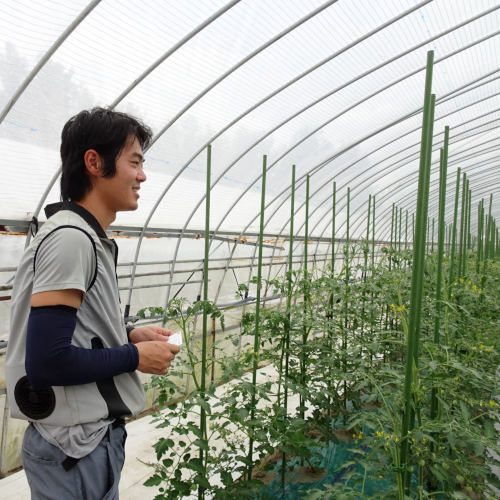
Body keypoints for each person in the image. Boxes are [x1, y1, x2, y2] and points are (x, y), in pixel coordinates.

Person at [5, 107, 180, 499]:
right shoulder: (71, 239)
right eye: (134, 162)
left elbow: (77, 329)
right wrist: (136, 357)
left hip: (86, 444)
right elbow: (47, 361)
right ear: (94, 162)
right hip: (72, 451)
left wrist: (130, 335)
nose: (142, 175)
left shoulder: (86, 237)